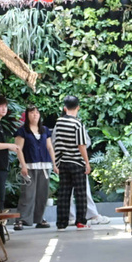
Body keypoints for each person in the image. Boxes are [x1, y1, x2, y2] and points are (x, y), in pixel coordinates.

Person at [52, 95, 91, 229]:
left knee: (64, 193)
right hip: (77, 163)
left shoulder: (59, 123)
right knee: (80, 193)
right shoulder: (77, 124)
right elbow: (81, 145)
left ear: (65, 108)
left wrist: (56, 162)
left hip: (63, 163)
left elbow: (56, 143)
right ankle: (81, 221)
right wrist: (87, 162)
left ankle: (61, 223)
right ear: (78, 107)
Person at [13, 106, 55, 229]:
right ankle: (21, 219)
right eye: (32, 112)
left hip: (44, 166)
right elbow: (18, 149)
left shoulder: (45, 130)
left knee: (42, 193)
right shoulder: (22, 131)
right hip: (29, 166)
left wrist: (55, 164)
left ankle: (39, 219)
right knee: (27, 193)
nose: (35, 114)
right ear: (27, 115)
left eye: (37, 112)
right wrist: (23, 165)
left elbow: (49, 147)